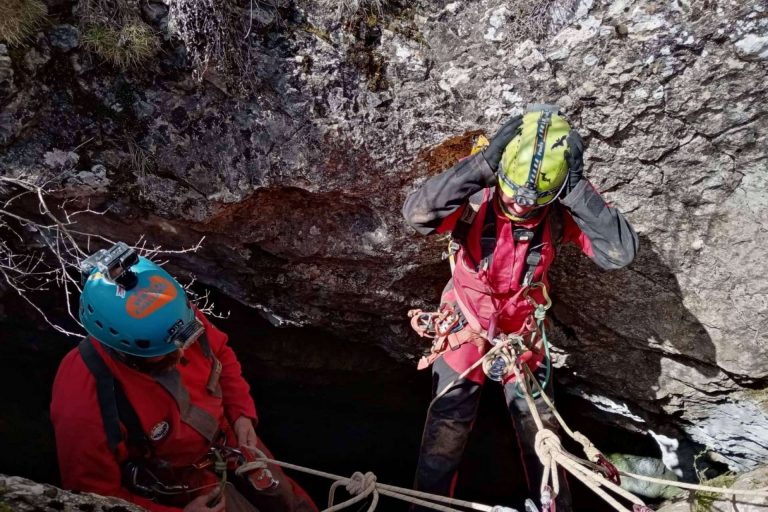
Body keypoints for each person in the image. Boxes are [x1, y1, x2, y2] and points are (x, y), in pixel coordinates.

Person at [402, 105, 638, 510]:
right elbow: (418, 215)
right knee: (446, 428)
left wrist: (578, 189)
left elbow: (618, 253)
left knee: (543, 436)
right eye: (513, 192)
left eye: (535, 200)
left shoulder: (559, 211)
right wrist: (479, 166)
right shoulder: (477, 195)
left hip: (523, 332)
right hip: (465, 323)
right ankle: (427, 506)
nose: (522, 205)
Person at [51, 242, 318, 512]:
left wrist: (241, 413)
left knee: (290, 502)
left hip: (231, 441)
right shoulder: (86, 397)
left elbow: (221, 354)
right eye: (165, 351)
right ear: (124, 349)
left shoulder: (173, 315)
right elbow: (92, 495)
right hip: (180, 485)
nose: (181, 352)